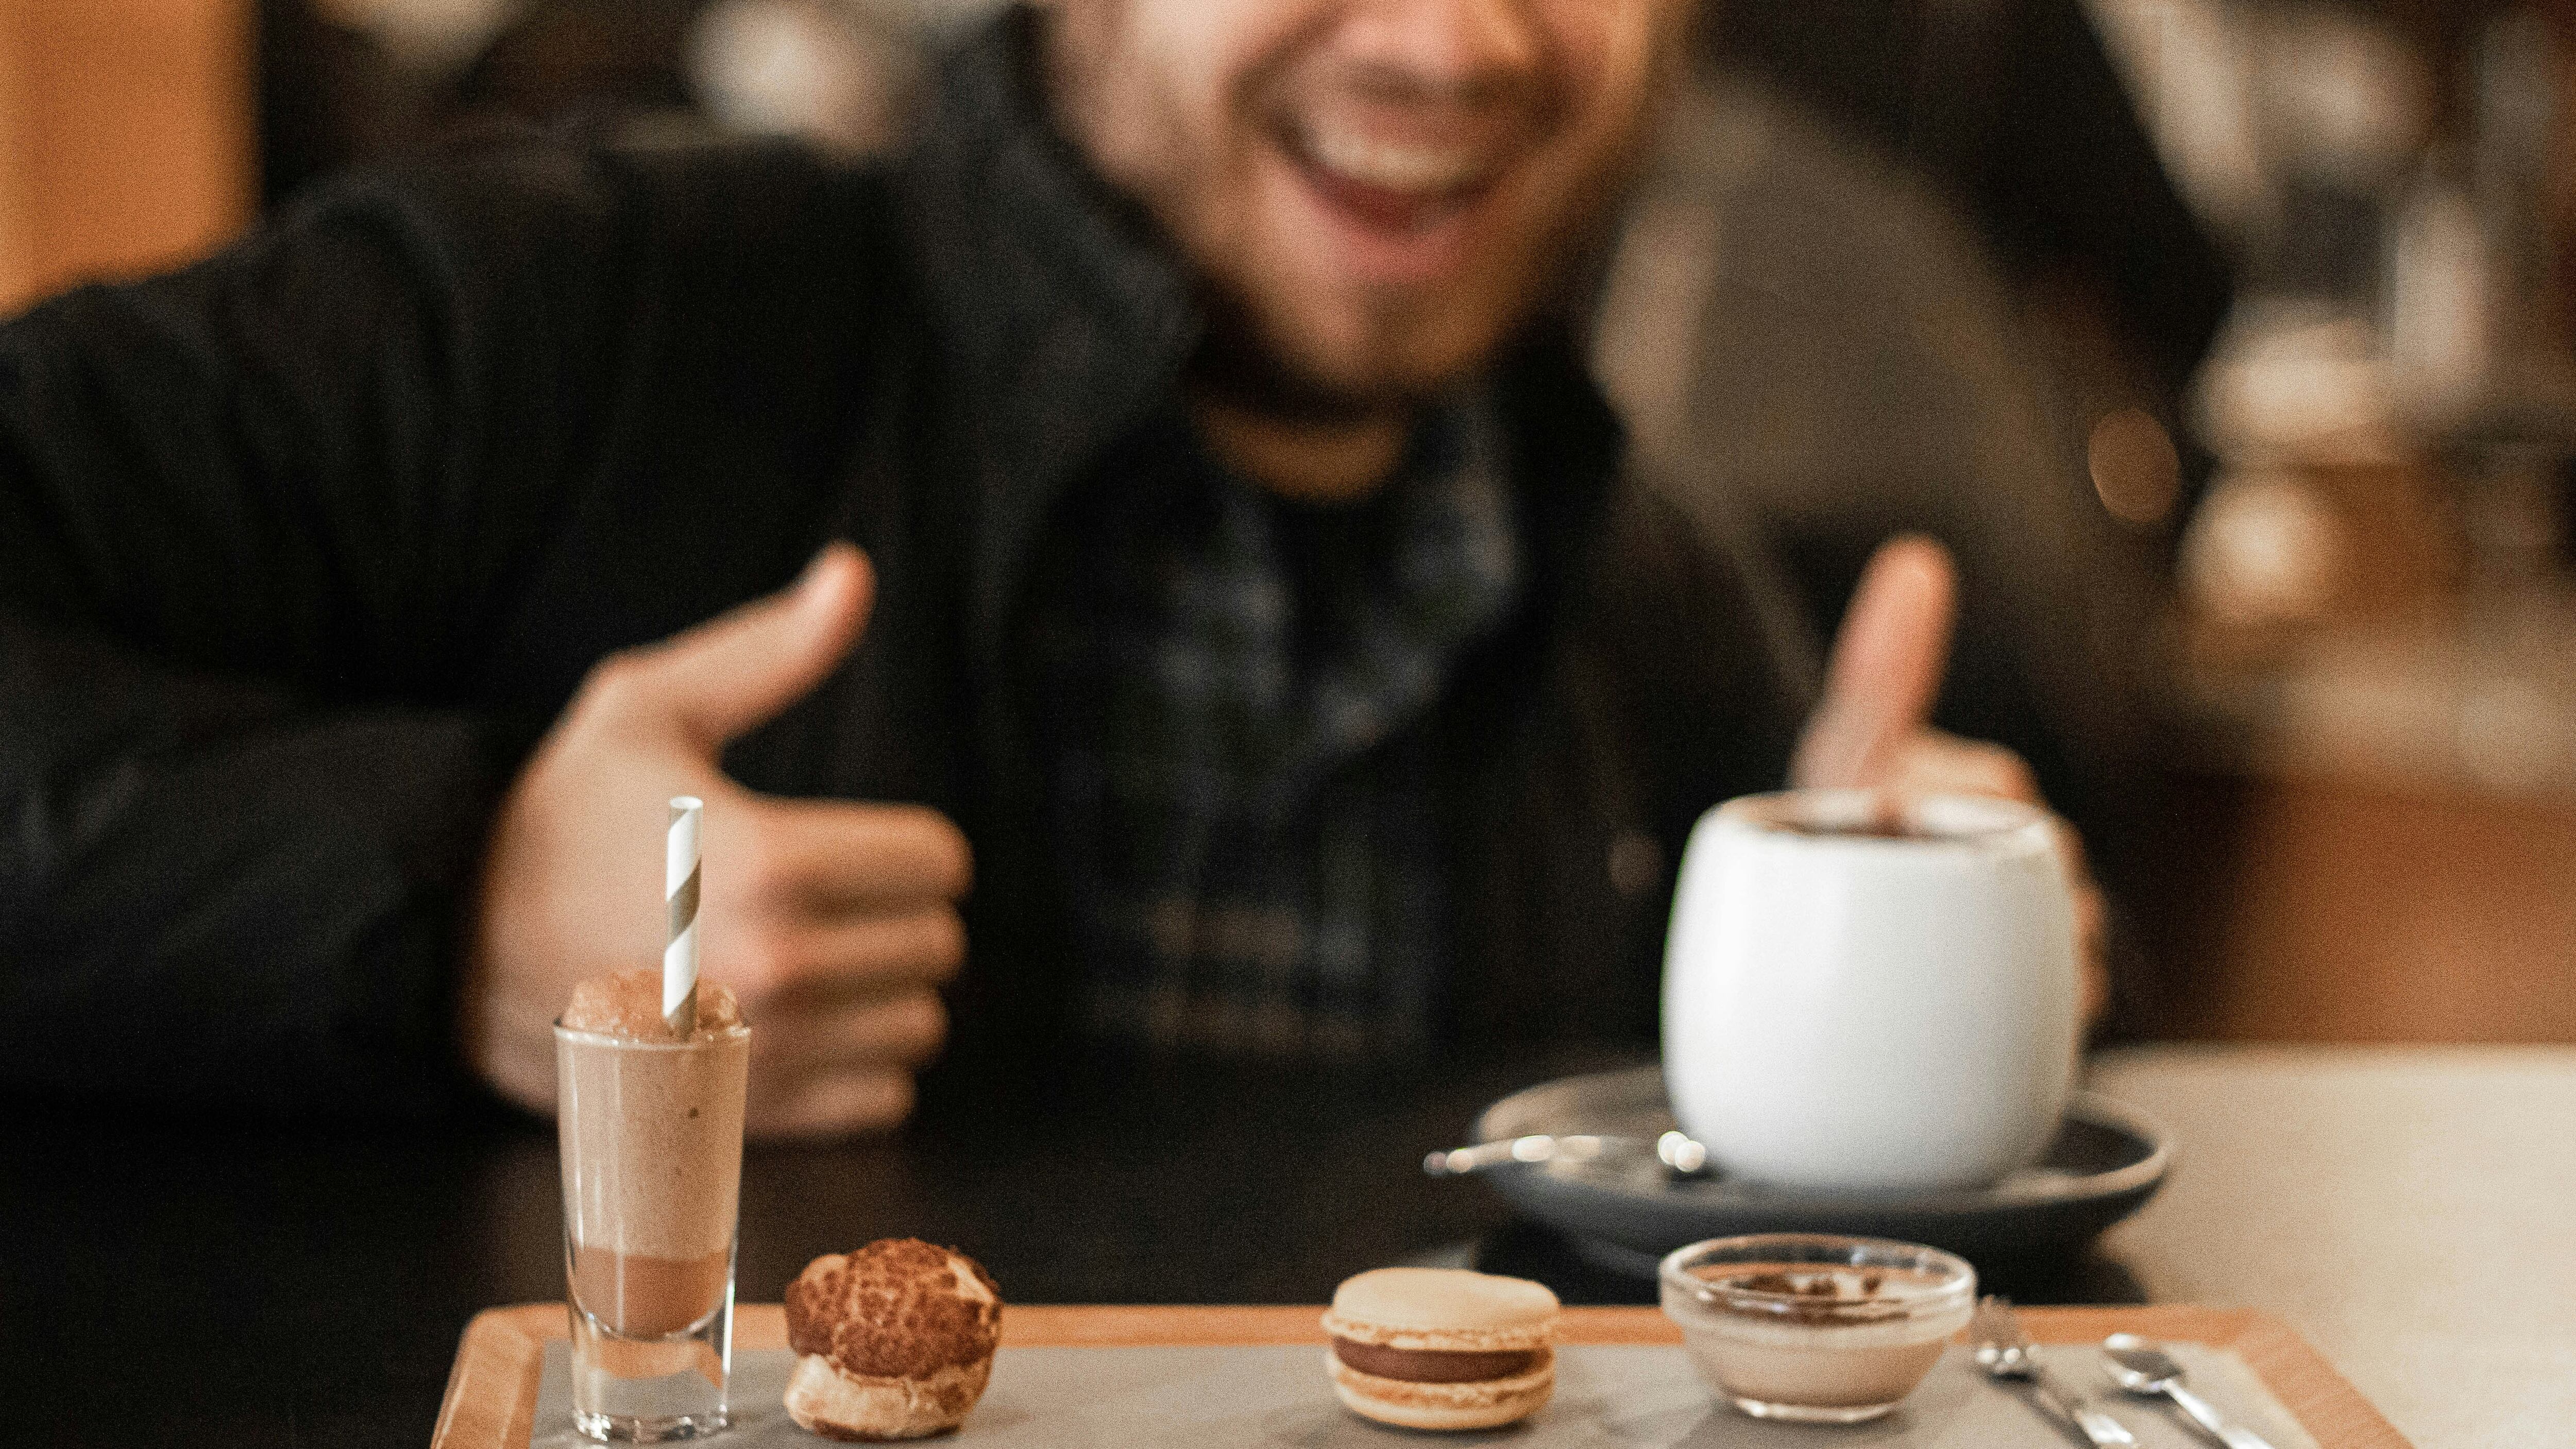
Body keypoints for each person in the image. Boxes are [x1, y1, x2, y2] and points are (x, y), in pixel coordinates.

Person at [0, 0, 2094, 1136]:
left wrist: (1910, 980)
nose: (1456, 46)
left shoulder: (1662, 617)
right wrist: (434, 903)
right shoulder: (570, 317)